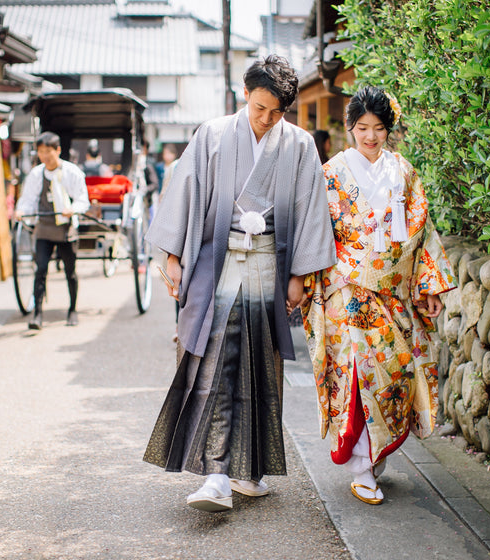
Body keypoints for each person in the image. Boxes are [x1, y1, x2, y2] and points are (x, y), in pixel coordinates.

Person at [142, 55, 336, 513]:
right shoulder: (212, 134)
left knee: (260, 367)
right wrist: (171, 257)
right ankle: (216, 474)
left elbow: (311, 210)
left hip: (269, 265)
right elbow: (183, 193)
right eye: (259, 108)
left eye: (277, 113)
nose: (266, 120)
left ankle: (249, 471)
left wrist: (298, 276)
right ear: (245, 94)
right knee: (216, 365)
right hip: (217, 262)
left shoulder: (300, 145)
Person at [301, 86, 457, 506]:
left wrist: (427, 286)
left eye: (379, 128)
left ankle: (372, 457)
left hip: (393, 292)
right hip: (346, 290)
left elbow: (422, 230)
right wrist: (306, 280)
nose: (370, 137)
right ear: (350, 128)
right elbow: (315, 231)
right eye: (362, 128)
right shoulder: (331, 173)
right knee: (357, 374)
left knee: (397, 373)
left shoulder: (403, 172)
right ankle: (363, 466)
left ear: (389, 129)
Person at [15, 131, 90, 329]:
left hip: (66, 229)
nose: (45, 156)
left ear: (58, 150)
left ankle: (72, 309)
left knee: (70, 271)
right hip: (45, 228)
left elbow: (83, 199)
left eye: (48, 151)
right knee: (40, 269)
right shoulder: (36, 174)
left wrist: (73, 209)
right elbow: (28, 199)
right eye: (40, 152)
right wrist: (21, 210)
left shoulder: (72, 172)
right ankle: (37, 313)